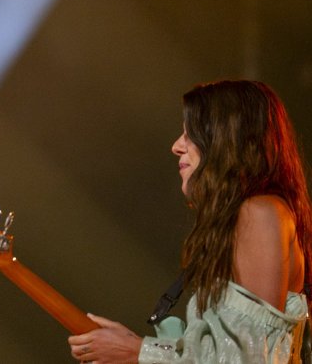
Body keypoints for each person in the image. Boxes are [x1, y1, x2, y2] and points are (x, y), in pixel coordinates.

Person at [68, 79, 312, 363]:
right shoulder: (253, 215)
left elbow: (249, 358)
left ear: (224, 138)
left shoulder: (259, 213)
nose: (176, 146)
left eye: (190, 133)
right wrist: (134, 346)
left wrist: (137, 351)